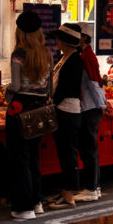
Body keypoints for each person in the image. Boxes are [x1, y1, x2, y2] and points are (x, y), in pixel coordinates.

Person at [5, 9, 53, 221]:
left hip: (21, 108)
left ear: (21, 32)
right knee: (34, 156)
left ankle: (24, 207)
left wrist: (5, 92)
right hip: (41, 108)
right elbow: (49, 88)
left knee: (19, 159)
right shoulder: (47, 53)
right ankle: (36, 201)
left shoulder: (18, 55)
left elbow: (15, 85)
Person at [47, 22, 84, 210]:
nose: (56, 42)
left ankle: (69, 193)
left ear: (67, 42)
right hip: (61, 109)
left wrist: (52, 102)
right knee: (63, 152)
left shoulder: (75, 60)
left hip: (67, 110)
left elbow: (67, 87)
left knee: (68, 153)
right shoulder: (64, 58)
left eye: (59, 39)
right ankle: (65, 190)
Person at [72, 25, 107, 202]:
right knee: (90, 149)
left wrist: (101, 105)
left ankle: (91, 188)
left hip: (89, 107)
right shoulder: (87, 55)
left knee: (88, 149)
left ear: (84, 38)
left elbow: (94, 83)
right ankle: (95, 185)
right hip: (91, 106)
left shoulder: (86, 57)